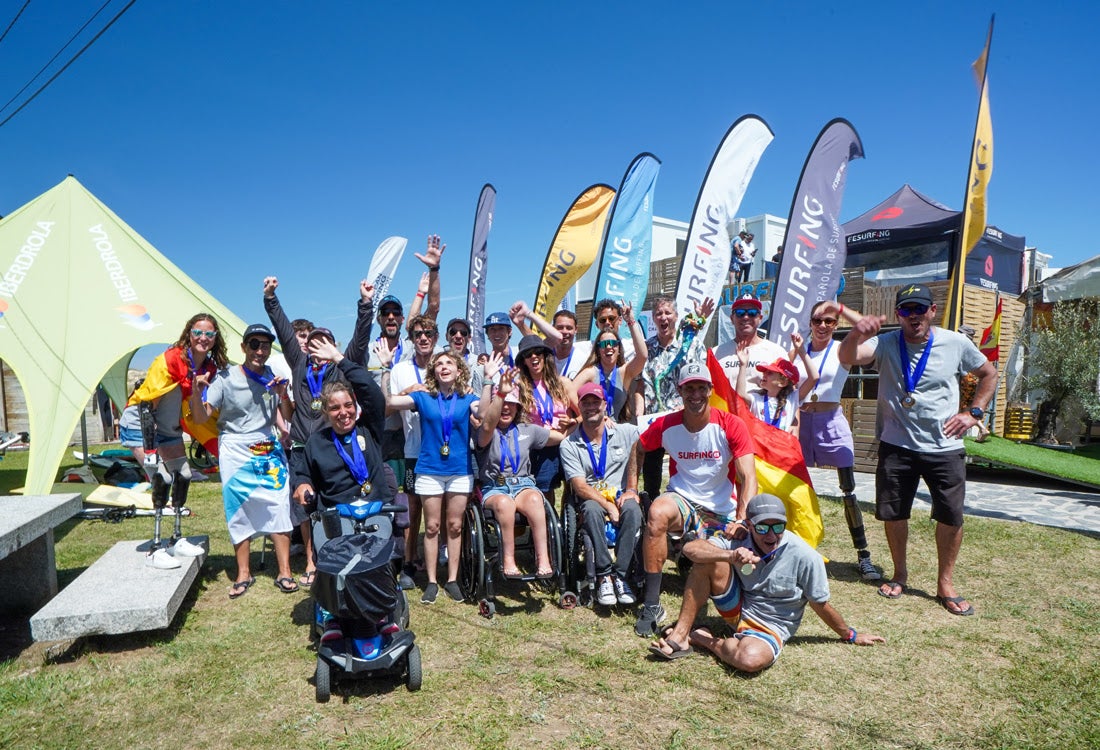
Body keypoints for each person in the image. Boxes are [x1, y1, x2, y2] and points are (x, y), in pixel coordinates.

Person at [837, 283, 997, 616]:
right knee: (894, 514)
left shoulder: (955, 342)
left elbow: (988, 373)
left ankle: (945, 584)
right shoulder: (885, 343)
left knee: (951, 516)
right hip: (897, 446)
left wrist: (974, 413)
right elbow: (848, 357)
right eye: (907, 310)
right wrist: (854, 334)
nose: (914, 317)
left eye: (920, 309)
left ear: (932, 311)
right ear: (899, 314)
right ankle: (900, 574)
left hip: (945, 448)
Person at [649, 494, 885, 669]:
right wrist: (731, 555)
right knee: (708, 560)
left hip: (771, 625)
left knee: (749, 660)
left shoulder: (806, 556)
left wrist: (850, 635)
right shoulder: (741, 539)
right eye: (762, 527)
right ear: (748, 525)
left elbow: (820, 604)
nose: (771, 535)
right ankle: (680, 636)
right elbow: (691, 550)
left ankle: (701, 637)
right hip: (737, 609)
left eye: (778, 527)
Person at [264, 275, 378, 587]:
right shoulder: (300, 366)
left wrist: (365, 304)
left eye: (323, 342)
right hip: (302, 445)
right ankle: (312, 560)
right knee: (304, 506)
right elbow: (285, 332)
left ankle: (347, 552)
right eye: (312, 342)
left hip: (333, 446)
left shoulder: (340, 367)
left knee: (332, 502)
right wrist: (271, 300)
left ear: (332, 346)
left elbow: (361, 338)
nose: (317, 346)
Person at [633, 362, 757, 637]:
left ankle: (691, 551)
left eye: (702, 388)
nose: (696, 395)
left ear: (711, 390)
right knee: (656, 512)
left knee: (722, 569)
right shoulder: (667, 424)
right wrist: (631, 488)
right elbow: (639, 447)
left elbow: (749, 477)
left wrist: (741, 519)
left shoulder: (730, 425)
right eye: (690, 388)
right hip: (684, 500)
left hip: (721, 509)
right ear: (680, 391)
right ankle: (652, 603)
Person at [291, 339, 397, 643]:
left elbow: (372, 392)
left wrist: (339, 358)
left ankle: (381, 613)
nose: (343, 413)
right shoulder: (317, 442)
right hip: (335, 515)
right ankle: (332, 613)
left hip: (376, 510)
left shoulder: (370, 429)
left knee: (376, 562)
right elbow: (302, 473)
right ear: (326, 411)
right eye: (335, 407)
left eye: (348, 405)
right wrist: (302, 486)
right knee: (334, 562)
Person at [193, 323, 297, 598]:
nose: (260, 351)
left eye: (265, 345)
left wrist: (283, 395)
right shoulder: (226, 378)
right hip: (235, 449)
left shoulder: (273, 376)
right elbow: (203, 415)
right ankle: (243, 573)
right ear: (244, 348)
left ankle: (284, 571)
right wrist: (195, 390)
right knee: (238, 508)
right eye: (254, 344)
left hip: (266, 444)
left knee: (278, 502)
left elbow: (286, 413)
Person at [128, 313, 230, 569]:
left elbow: (198, 411)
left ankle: (175, 538)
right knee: (161, 479)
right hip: (143, 424)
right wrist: (151, 444)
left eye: (209, 334)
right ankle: (155, 546)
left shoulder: (209, 369)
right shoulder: (172, 358)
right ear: (189, 333)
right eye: (198, 332)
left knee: (183, 476)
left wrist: (195, 388)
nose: (203, 338)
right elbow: (150, 399)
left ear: (215, 339)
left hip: (169, 428)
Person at [385, 350, 481, 604]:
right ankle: (431, 581)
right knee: (431, 527)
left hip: (460, 470)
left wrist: (491, 381)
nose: (444, 366)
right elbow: (389, 402)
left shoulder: (468, 397)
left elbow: (484, 412)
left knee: (455, 526)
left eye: (449, 363)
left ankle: (452, 579)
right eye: (439, 364)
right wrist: (386, 369)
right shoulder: (423, 397)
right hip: (429, 469)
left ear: (459, 371)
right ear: (433, 372)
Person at [795, 300, 882, 580]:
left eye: (829, 321)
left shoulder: (843, 349)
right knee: (793, 488)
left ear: (836, 325)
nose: (823, 326)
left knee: (848, 491)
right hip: (799, 423)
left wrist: (840, 307)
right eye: (818, 320)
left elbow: (866, 330)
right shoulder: (797, 351)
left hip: (831, 421)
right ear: (809, 323)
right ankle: (792, 549)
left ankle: (863, 555)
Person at [475, 358, 566, 578]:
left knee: (537, 500)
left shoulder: (529, 430)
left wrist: (577, 423)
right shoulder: (485, 431)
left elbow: (560, 437)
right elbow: (488, 423)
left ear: (518, 407)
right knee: (505, 505)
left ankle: (543, 559)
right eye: (503, 404)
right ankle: (508, 560)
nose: (506, 408)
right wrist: (501, 395)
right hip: (495, 488)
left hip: (523, 484)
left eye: (511, 403)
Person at [560, 382, 642, 606]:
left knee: (634, 509)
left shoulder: (624, 431)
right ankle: (604, 574)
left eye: (595, 402)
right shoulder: (569, 444)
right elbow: (578, 486)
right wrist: (608, 506)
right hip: (591, 497)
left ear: (605, 405)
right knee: (592, 509)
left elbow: (644, 440)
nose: (591, 407)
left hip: (619, 493)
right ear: (580, 407)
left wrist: (632, 487)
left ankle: (621, 575)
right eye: (585, 403)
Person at [380, 314, 440, 590]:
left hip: (443, 447)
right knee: (413, 505)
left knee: (443, 509)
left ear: (436, 336)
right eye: (418, 334)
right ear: (412, 339)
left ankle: (441, 561)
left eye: (428, 333)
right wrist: (410, 391)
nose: (424, 338)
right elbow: (386, 408)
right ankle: (409, 560)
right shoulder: (402, 369)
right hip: (415, 449)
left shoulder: (445, 362)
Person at [637, 296, 715, 499]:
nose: (663, 317)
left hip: (683, 419)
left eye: (668, 313)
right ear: (653, 319)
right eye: (659, 314)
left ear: (676, 316)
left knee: (685, 470)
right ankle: (651, 508)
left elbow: (701, 378)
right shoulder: (647, 349)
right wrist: (639, 411)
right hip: (653, 421)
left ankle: (685, 506)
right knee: (651, 477)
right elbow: (639, 383)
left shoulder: (691, 345)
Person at [512, 334, 578, 508]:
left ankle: (568, 526)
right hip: (541, 447)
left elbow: (582, 415)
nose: (534, 357)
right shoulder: (519, 387)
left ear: (545, 355)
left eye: (538, 352)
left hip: (567, 442)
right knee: (545, 492)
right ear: (523, 361)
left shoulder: (562, 383)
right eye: (528, 355)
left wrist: (572, 420)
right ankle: (548, 530)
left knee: (573, 489)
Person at [575, 303, 647, 422]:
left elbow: (642, 356)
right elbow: (569, 390)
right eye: (603, 344)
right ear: (598, 350)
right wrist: (584, 416)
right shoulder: (590, 371)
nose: (609, 347)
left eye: (613, 344)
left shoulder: (624, 371)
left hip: (618, 428)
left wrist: (631, 322)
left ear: (619, 349)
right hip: (594, 430)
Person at [734, 333, 817, 435]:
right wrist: (743, 365)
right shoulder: (757, 398)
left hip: (782, 448)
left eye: (769, 373)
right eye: (764, 372)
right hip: (761, 448)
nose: (764, 374)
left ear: (782, 382)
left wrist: (801, 351)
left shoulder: (792, 398)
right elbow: (740, 394)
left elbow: (814, 377)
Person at [712, 294, 788, 392]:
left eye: (752, 313)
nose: (746, 317)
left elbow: (788, 391)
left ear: (760, 318)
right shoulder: (716, 353)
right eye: (740, 313)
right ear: (731, 319)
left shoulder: (776, 352)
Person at [550, 309, 591, 380]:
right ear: (553, 328)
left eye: (569, 328)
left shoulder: (583, 361)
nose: (564, 331)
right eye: (560, 327)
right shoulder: (544, 356)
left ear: (576, 329)